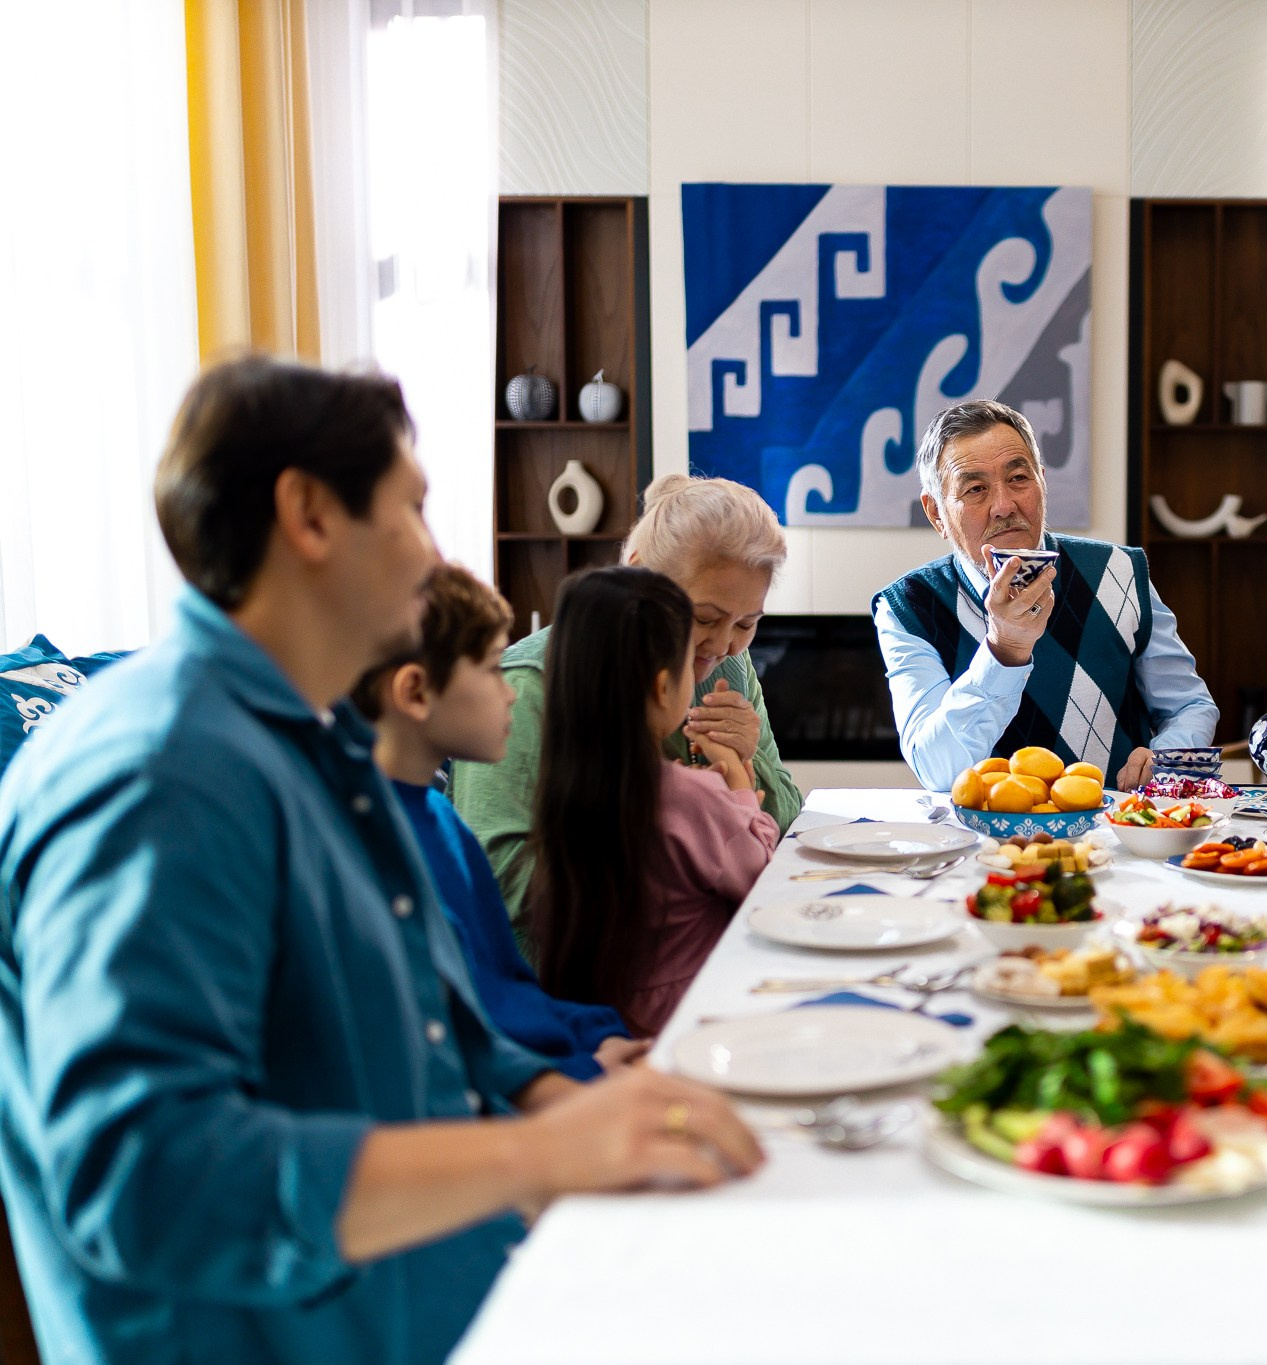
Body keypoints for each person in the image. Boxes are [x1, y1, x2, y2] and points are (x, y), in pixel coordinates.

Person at [0, 358, 761, 1364]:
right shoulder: (160, 771)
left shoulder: (327, 750)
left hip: (443, 1290)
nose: (435, 553)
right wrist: (534, 1152)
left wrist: (561, 1100)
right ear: (310, 516)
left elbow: (434, 1016)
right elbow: (146, 1181)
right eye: (412, 509)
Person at [451, 475, 799, 930]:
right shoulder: (526, 688)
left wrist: (750, 761)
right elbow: (499, 882)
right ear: (639, 575)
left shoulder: (730, 666)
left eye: (746, 623)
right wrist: (688, 839)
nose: (722, 644)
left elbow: (788, 821)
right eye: (704, 618)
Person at [351, 562, 648, 1081]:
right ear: (416, 693)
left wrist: (599, 1035)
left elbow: (509, 990)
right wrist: (580, 1071)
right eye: (492, 668)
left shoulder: (443, 819)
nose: (509, 691)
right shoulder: (378, 845)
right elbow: (461, 1036)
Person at [874, 399, 1219, 791]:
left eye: (1018, 478)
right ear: (936, 513)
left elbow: (1189, 705)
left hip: (1115, 824)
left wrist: (1167, 758)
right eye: (976, 489)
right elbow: (936, 770)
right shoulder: (908, 606)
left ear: (1041, 481)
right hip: (986, 829)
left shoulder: (1118, 570)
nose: (1004, 505)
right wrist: (1004, 650)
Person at [525, 566, 780, 1036]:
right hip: (687, 1023)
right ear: (664, 687)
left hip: (600, 1023)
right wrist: (738, 784)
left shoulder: (561, 792)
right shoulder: (691, 796)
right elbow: (762, 878)